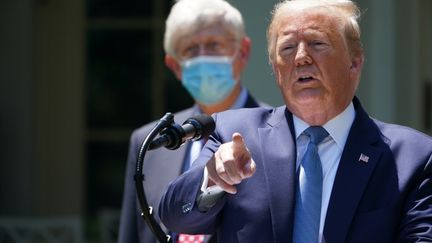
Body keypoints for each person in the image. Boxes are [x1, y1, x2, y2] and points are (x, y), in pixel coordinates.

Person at [158, 0, 432, 242]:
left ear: (355, 61)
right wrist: (213, 177)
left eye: (317, 43)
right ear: (276, 69)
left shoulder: (413, 157)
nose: (301, 58)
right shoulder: (234, 133)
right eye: (287, 48)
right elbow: (175, 216)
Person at [117, 0, 268, 242]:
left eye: (214, 45)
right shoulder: (150, 142)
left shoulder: (278, 133)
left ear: (243, 52)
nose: (203, 57)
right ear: (175, 66)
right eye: (190, 50)